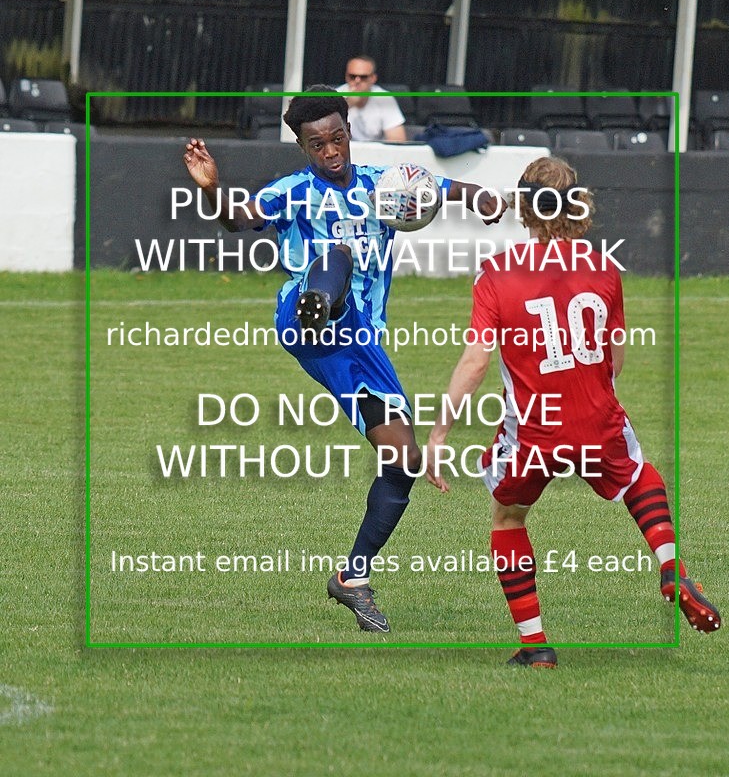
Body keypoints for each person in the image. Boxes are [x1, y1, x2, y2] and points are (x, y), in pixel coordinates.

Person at [183, 86, 506, 633]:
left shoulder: (387, 185)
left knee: (402, 462)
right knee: (335, 253)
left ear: (348, 133)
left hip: (361, 343)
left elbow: (445, 188)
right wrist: (213, 192)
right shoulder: (292, 191)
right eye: (317, 144)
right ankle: (319, 303)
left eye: (336, 138)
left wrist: (484, 198)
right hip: (303, 317)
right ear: (303, 147)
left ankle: (352, 577)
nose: (330, 151)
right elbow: (238, 219)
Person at [424, 156, 720, 667]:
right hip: (598, 416)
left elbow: (475, 362)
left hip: (534, 431)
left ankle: (536, 648)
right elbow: (616, 359)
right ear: (576, 203)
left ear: (523, 206)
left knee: (508, 515)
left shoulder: (497, 273)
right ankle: (671, 566)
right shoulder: (605, 267)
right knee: (640, 479)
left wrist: (438, 434)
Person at [336, 55, 407, 142]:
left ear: (373, 78)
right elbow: (324, 133)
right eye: (352, 76)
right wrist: (348, 104)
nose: (357, 81)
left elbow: (398, 141)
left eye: (363, 77)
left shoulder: (384, 98)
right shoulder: (335, 96)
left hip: (376, 153)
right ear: (346, 77)